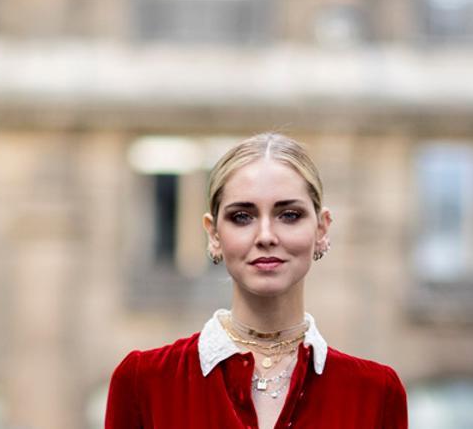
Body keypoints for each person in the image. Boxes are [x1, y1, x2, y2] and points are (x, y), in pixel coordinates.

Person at [104, 132, 408, 428]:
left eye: (289, 215)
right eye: (242, 216)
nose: (265, 236)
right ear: (213, 234)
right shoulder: (144, 381)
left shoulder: (376, 392)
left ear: (321, 229)